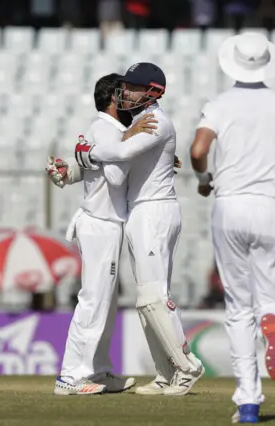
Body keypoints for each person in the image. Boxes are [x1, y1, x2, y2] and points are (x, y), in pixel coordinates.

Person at [189, 32, 275, 423]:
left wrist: (206, 177)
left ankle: (248, 402)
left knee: (237, 308)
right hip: (269, 205)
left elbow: (197, 151)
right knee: (274, 298)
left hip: (229, 206)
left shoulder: (220, 104)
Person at [73, 63, 205, 396]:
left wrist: (85, 153)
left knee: (154, 296)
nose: (125, 93)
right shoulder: (139, 122)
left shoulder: (155, 121)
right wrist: (77, 166)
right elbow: (123, 156)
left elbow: (119, 152)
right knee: (146, 298)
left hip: (154, 213)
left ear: (152, 91)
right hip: (141, 213)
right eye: (125, 87)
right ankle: (164, 374)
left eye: (132, 87)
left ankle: (188, 367)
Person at [46, 74, 148, 395]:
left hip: (107, 223)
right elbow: (117, 177)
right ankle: (71, 376)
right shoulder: (108, 129)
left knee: (106, 301)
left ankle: (99, 371)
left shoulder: (110, 131)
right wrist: (130, 144)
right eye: (127, 93)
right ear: (115, 98)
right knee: (93, 299)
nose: (134, 98)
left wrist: (81, 161)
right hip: (101, 223)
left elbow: (94, 165)